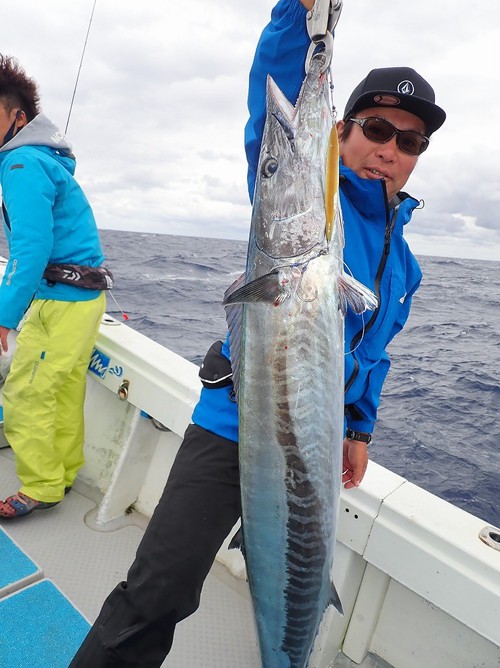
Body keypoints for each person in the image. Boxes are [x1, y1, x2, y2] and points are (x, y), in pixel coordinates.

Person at [70, 0, 446, 665]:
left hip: (316, 445)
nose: (389, 149)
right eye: (377, 128)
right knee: (156, 591)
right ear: (341, 131)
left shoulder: (405, 265)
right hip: (232, 427)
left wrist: (358, 428)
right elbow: (270, 119)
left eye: (409, 141)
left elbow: (372, 352)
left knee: (298, 599)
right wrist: (295, 20)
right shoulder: (310, 198)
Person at [0, 54, 109, 519]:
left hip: (60, 301)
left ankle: (41, 485)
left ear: (17, 117)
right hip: (85, 299)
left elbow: (30, 249)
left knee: (23, 393)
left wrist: (4, 317)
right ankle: (61, 475)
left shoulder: (22, 163)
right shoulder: (45, 160)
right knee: (63, 393)